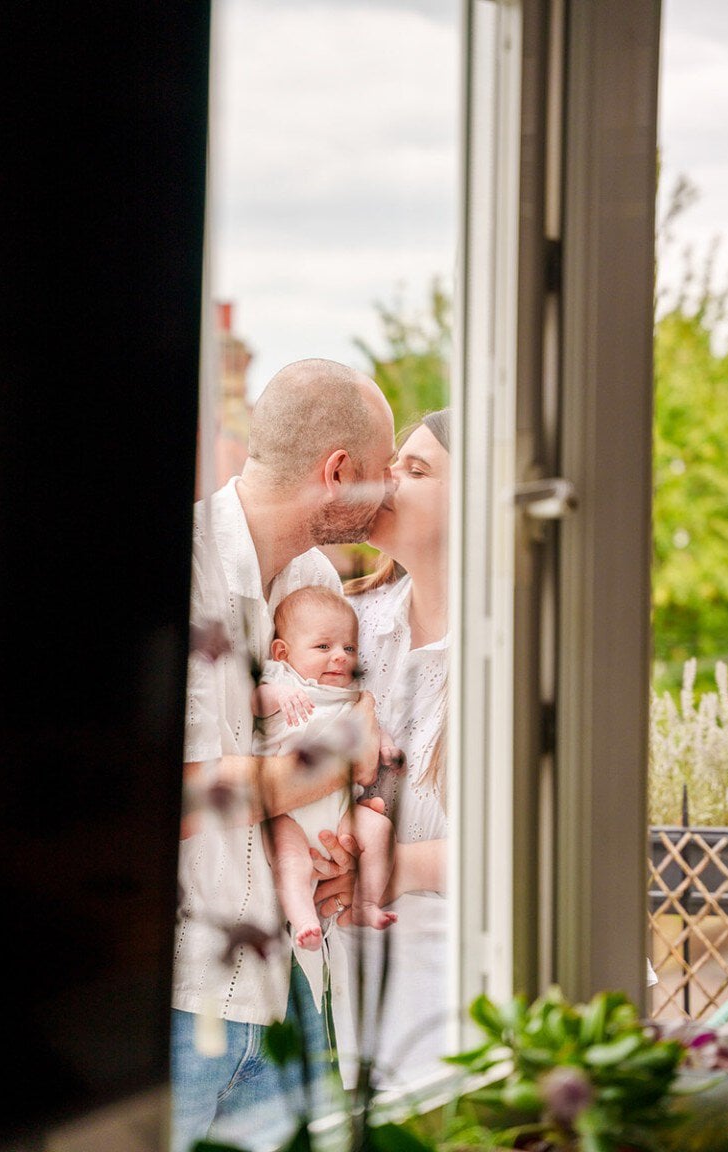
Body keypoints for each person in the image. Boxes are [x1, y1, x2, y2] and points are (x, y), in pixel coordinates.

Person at [170, 358, 396, 1152]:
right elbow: (192, 803)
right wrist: (336, 756)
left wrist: (334, 861)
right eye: (378, 476)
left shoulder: (313, 584)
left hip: (296, 992)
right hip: (187, 1003)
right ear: (336, 473)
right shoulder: (188, 571)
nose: (387, 498)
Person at [313, 408, 452, 1093]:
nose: (388, 477)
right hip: (360, 1007)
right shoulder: (347, 628)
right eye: (392, 462)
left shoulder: (528, 647)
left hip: (476, 1004)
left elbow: (562, 847)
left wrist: (397, 865)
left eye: (417, 469)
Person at [252, 586, 398, 966]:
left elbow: (371, 731)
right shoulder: (282, 680)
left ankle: (365, 901)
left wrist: (386, 745)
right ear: (283, 652)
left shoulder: (350, 695)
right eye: (323, 647)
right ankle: (302, 918)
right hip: (286, 811)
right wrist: (279, 696)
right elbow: (254, 703)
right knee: (291, 859)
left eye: (349, 649)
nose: (339, 657)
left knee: (379, 830)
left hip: (337, 807)